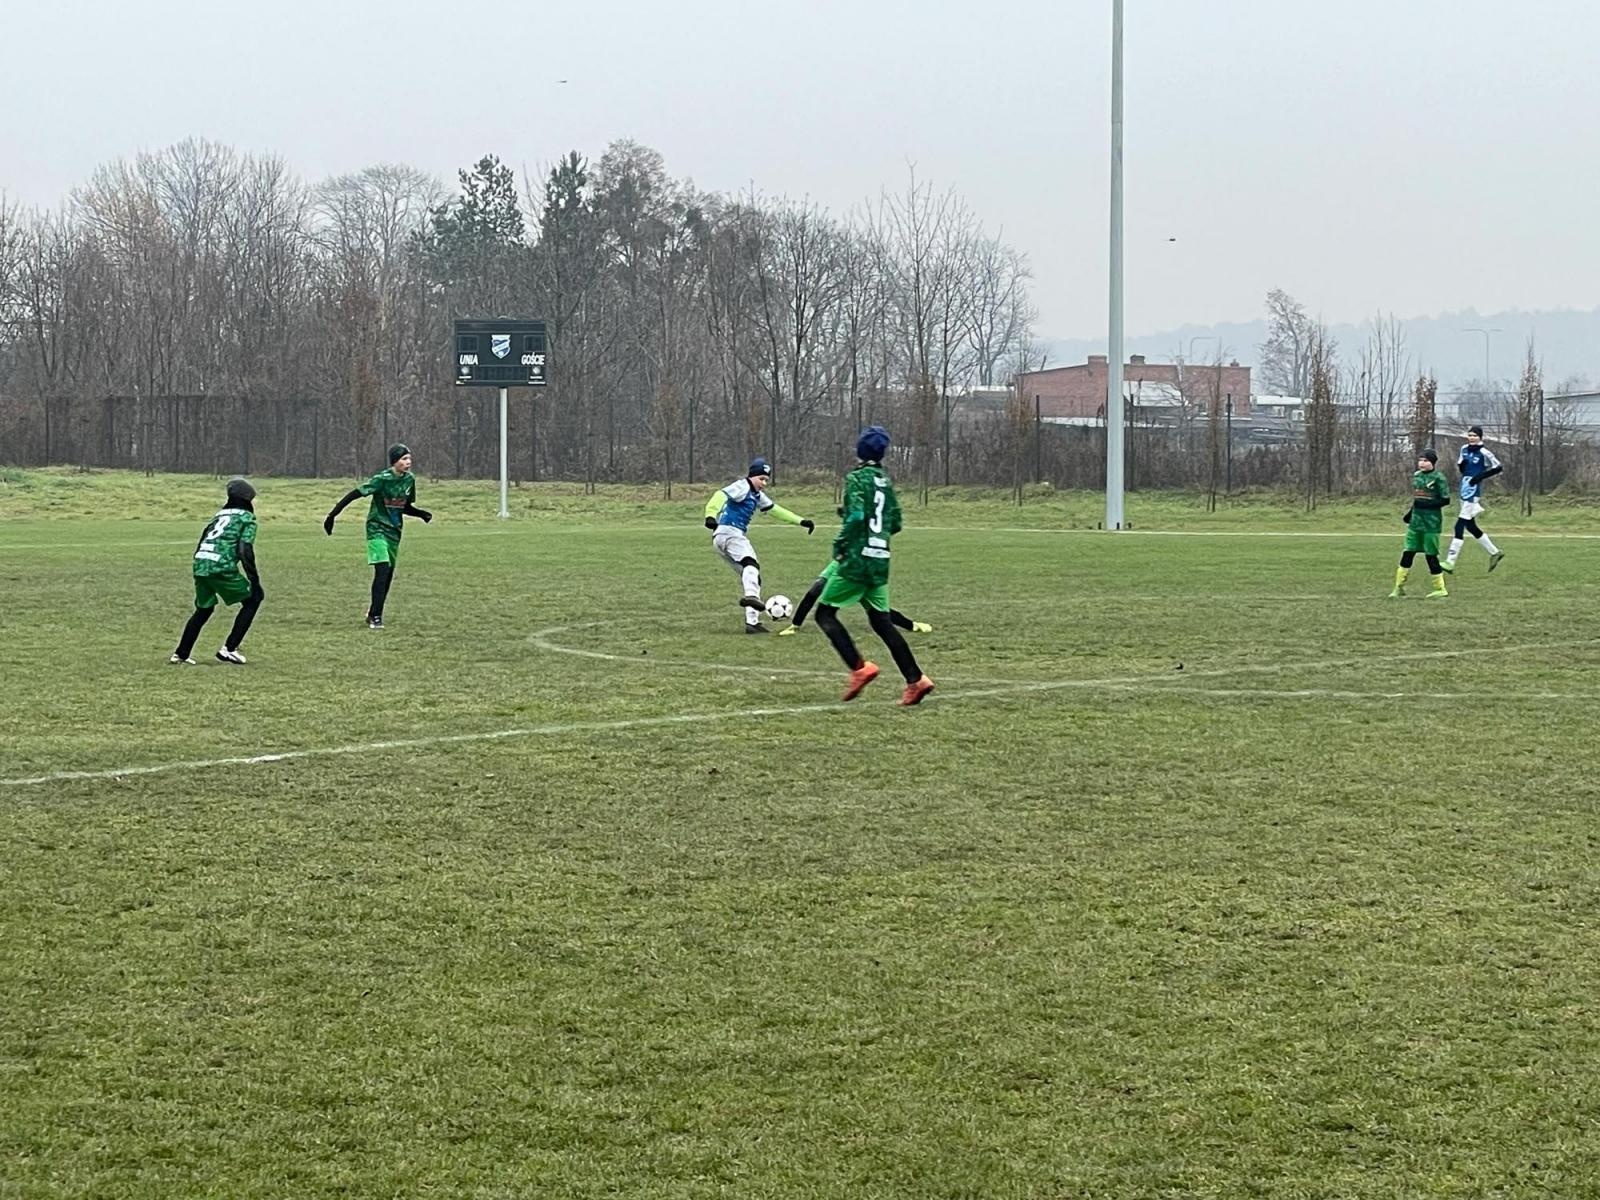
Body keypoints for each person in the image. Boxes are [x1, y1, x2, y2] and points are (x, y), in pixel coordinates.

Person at [812, 426, 935, 705]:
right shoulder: (884, 481)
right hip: (880, 561)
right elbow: (897, 523)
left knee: (825, 615)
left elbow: (856, 516)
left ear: (859, 451)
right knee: (881, 622)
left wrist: (841, 543)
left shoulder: (857, 479)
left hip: (858, 561)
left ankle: (859, 668)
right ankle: (916, 679)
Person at [323, 443, 432, 629]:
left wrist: (420, 514)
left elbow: (403, 506)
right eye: (404, 459)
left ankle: (373, 611)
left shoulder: (409, 480)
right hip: (377, 529)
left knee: (388, 575)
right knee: (382, 570)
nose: (408, 462)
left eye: (409, 459)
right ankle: (376, 617)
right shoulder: (382, 479)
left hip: (394, 532)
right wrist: (332, 515)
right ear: (394, 461)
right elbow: (355, 494)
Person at [703, 457, 814, 633]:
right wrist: (710, 515)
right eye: (761, 479)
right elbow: (720, 495)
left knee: (753, 576)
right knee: (751, 565)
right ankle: (752, 597)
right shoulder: (743, 486)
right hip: (730, 533)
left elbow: (776, 510)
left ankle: (752, 624)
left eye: (766, 480)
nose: (764, 483)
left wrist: (801, 521)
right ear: (752, 476)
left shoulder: (757, 495)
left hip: (721, 539)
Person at [170, 476, 263, 665]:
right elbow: (245, 550)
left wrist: (199, 562)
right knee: (253, 599)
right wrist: (254, 581)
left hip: (201, 563)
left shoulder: (219, 516)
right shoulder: (247, 518)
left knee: (204, 609)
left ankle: (181, 654)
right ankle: (229, 649)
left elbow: (203, 538)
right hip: (221, 566)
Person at [777, 556, 932, 637]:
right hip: (839, 564)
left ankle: (912, 625)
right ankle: (795, 625)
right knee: (816, 588)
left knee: (877, 609)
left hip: (858, 570)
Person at [1440, 425, 1505, 574]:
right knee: (1471, 527)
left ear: (1480, 437)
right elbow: (1462, 468)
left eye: (1475, 435)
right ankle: (1495, 552)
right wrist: (1461, 466)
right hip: (1464, 487)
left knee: (1459, 526)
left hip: (1473, 490)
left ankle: (1450, 561)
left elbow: (1498, 467)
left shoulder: (1484, 452)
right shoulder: (1464, 449)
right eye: (1470, 435)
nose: (1472, 438)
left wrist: (1479, 477)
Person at [1390, 448, 1451, 600]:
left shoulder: (1439, 478)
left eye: (1426, 461)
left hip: (1431, 523)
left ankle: (1440, 589)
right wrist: (1410, 513)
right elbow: (1418, 499)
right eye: (1420, 460)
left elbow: (1445, 499)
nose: (1422, 463)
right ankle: (1398, 587)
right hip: (1416, 523)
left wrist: (1429, 505)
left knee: (1431, 555)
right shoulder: (1416, 476)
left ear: (1433, 463)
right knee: (1408, 552)